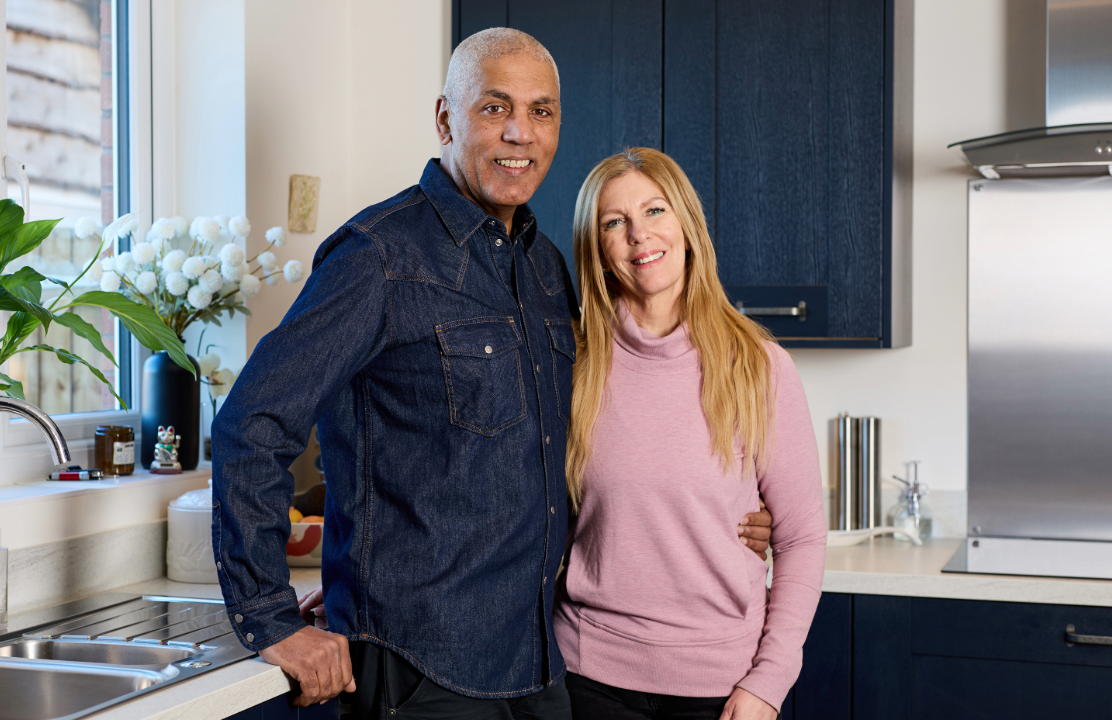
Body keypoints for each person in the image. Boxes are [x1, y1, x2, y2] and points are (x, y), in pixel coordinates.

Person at [211, 29, 774, 719]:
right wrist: (271, 617)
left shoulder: (543, 267)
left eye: (542, 111)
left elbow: (581, 439)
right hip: (425, 669)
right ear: (446, 118)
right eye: (494, 108)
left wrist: (726, 507)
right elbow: (252, 423)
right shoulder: (378, 256)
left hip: (540, 660)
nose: (520, 132)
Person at [553, 148, 827, 720]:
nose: (638, 235)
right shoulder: (570, 364)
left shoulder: (759, 365)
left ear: (687, 225)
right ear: (597, 250)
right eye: (614, 222)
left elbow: (800, 540)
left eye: (655, 211)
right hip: (587, 677)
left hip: (723, 687)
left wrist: (768, 684)